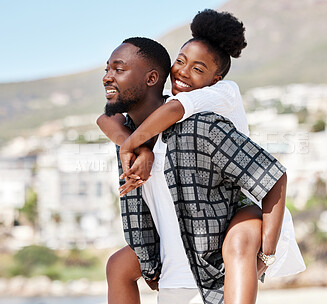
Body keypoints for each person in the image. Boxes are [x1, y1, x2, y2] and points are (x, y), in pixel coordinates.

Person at [98, 10, 304, 304]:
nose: (183, 72)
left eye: (197, 68)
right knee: (117, 264)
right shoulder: (152, 126)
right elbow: (106, 119)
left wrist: (267, 255)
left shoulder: (216, 100)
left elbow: (271, 176)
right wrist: (136, 147)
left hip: (248, 205)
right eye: (180, 62)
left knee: (239, 242)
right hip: (197, 235)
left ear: (215, 78)